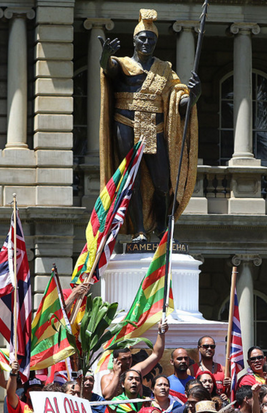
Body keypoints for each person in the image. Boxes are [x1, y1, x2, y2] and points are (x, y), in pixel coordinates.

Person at [98, 9, 200, 240]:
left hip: (156, 127)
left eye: (151, 39)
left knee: (163, 182)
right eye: (142, 38)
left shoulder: (164, 70)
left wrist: (193, 96)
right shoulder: (123, 64)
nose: (146, 43)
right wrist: (105, 56)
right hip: (125, 124)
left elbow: (179, 101)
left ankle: (162, 227)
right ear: (134, 40)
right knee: (131, 179)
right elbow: (109, 69)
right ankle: (139, 231)